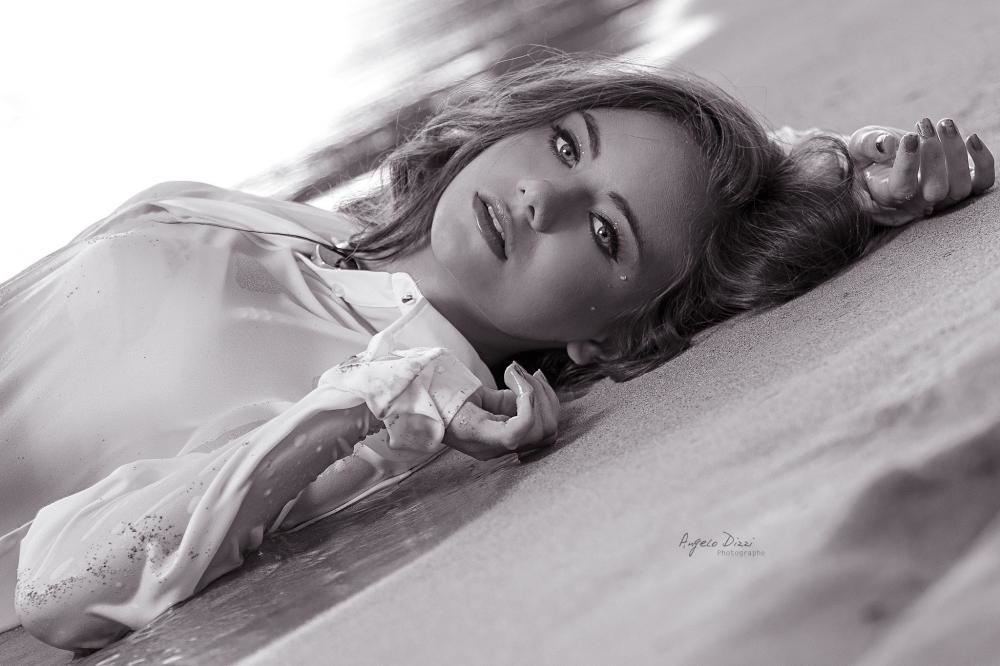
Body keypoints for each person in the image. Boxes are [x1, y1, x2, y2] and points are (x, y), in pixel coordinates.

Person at [0, 53, 993, 651]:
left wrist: (371, 400)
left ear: (612, 333)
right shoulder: (306, 232)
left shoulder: (382, 404)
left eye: (601, 233)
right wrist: (832, 168)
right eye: (565, 144)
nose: (540, 198)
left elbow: (60, 594)